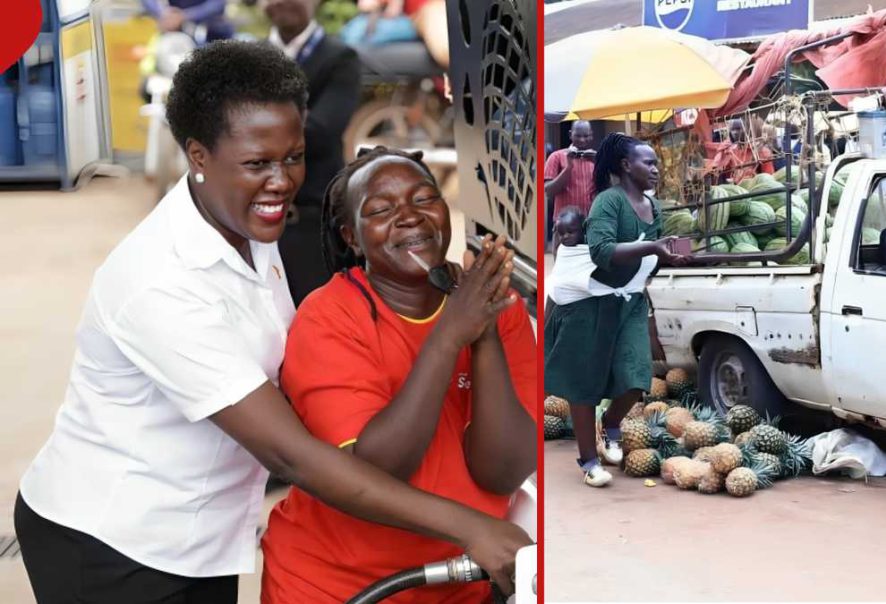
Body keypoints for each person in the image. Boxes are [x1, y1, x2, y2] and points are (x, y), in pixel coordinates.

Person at [14, 42, 528, 604]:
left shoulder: (248, 229)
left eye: (293, 156)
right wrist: (471, 528)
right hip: (113, 539)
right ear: (198, 156)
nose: (282, 181)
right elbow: (291, 457)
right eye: (258, 163)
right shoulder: (160, 283)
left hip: (203, 535)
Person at [259, 147, 539, 602]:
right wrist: (450, 337)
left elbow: (502, 472)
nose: (409, 216)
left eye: (424, 199)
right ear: (351, 236)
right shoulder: (329, 318)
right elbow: (380, 469)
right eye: (381, 210)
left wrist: (482, 332)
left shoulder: (493, 306)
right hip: (339, 584)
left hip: (461, 584)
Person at [544, 133, 687, 488]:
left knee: (637, 376)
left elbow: (649, 256)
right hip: (590, 303)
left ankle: (610, 424)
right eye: (648, 163)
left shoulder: (653, 206)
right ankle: (589, 459)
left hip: (629, 300)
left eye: (656, 163)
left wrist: (671, 255)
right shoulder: (608, 202)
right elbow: (602, 252)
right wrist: (653, 245)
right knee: (585, 383)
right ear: (626, 166)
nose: (656, 169)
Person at [265, 0, 363, 307]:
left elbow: (320, 132)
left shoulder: (340, 57)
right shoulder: (246, 58)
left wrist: (249, 125)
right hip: (254, 231)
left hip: (312, 227)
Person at [544, 120, 598, 221]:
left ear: (591, 136)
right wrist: (568, 168)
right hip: (564, 225)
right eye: (578, 136)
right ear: (570, 135)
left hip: (590, 221)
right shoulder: (556, 156)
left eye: (586, 136)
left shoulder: (596, 158)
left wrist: (599, 164)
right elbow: (549, 191)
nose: (582, 140)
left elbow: (608, 190)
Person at [141, 0, 234, 42]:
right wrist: (162, 12)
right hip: (176, 28)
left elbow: (217, 4)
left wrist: (185, 15)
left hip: (212, 30)